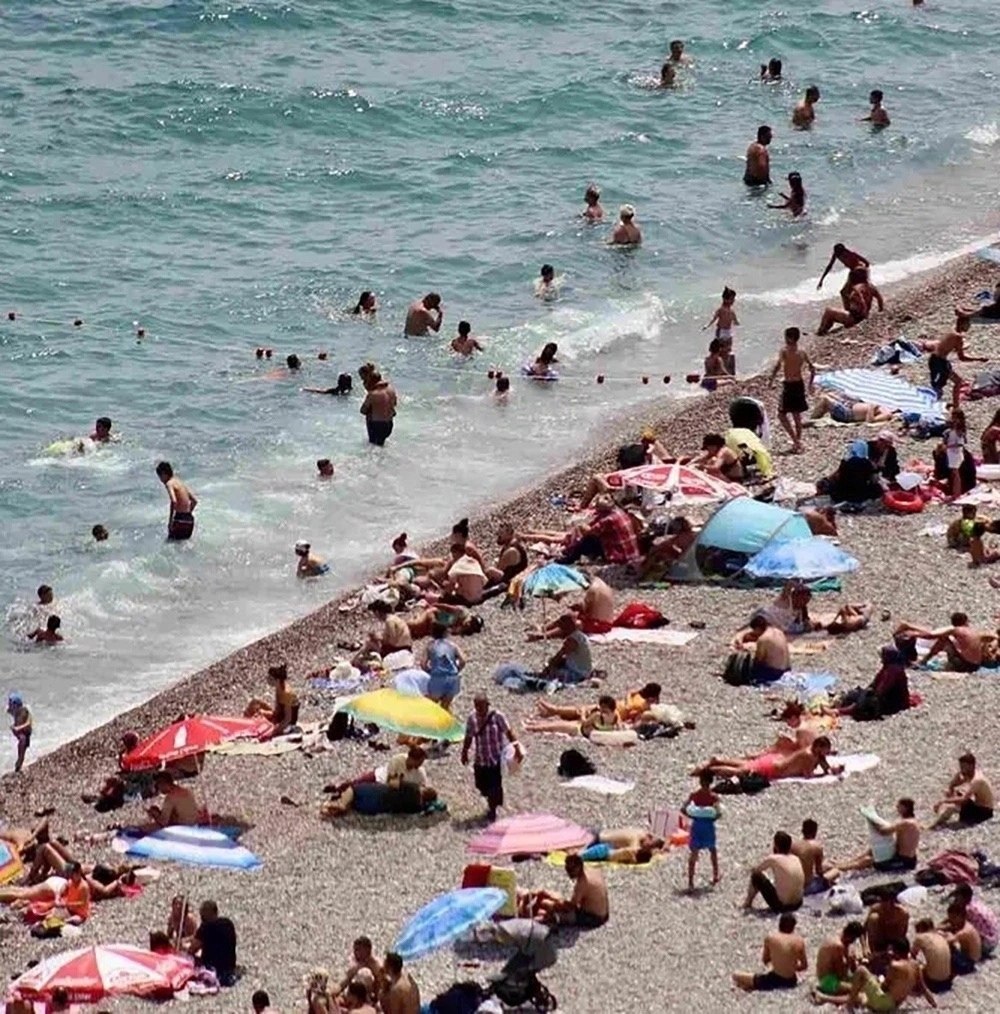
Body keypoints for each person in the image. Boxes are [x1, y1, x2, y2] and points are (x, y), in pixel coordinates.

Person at [461, 695, 523, 822]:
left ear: (487, 705)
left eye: (481, 706)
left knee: (494, 785)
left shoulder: (498, 716)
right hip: (480, 758)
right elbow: (469, 736)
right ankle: (490, 798)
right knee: (480, 785)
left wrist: (517, 748)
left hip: (495, 758)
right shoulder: (472, 719)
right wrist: (464, 752)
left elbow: (509, 733)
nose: (479, 709)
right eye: (477, 706)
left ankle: (493, 808)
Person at [825, 798, 920, 880]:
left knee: (869, 860)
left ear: (905, 808)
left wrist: (871, 819)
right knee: (872, 851)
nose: (897, 808)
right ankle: (845, 863)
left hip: (904, 862)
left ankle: (841, 867)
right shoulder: (912, 821)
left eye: (899, 806)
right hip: (905, 857)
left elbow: (884, 831)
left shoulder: (905, 823)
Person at [698, 736, 841, 784]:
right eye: (826, 750)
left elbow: (824, 765)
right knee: (740, 772)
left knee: (747, 764)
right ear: (819, 747)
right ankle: (710, 770)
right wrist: (822, 775)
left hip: (775, 760)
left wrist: (831, 770)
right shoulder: (809, 756)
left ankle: (718, 760)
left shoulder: (814, 752)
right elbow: (807, 775)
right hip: (775, 769)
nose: (827, 753)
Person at [920, 313, 988, 403]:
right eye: (968, 324)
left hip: (934, 359)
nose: (969, 326)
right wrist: (979, 359)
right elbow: (962, 357)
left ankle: (930, 400)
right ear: (962, 324)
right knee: (957, 382)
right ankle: (955, 406)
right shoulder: (958, 337)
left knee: (939, 384)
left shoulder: (951, 331)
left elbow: (946, 345)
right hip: (939, 362)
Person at [733, 913, 807, 992]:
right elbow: (804, 966)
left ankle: (748, 986)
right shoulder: (799, 941)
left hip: (774, 980)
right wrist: (791, 967)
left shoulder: (771, 938)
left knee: (736, 975)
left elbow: (765, 960)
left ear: (779, 925)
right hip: (791, 981)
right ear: (793, 927)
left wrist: (778, 961)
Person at [531, 853, 608, 928]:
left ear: (578, 867)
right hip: (604, 914)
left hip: (594, 918)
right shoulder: (592, 870)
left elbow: (571, 906)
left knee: (556, 914)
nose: (568, 873)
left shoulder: (582, 883)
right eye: (567, 868)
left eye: (571, 870)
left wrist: (554, 903)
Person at [558, 496, 641, 565]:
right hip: (631, 553)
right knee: (590, 538)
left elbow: (590, 531)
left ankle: (570, 558)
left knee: (588, 540)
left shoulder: (608, 520)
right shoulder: (619, 512)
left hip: (620, 556)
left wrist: (581, 526)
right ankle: (572, 552)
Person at [770, 326, 814, 453]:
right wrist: (810, 384)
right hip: (799, 384)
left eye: (786, 337)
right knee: (796, 414)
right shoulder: (802, 352)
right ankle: (797, 442)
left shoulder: (784, 351)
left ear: (790, 338)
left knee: (781, 414)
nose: (784, 340)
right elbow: (812, 368)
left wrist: (771, 380)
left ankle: (796, 442)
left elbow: (778, 366)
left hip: (789, 385)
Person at [895, 613, 984, 672]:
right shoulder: (972, 631)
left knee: (944, 638)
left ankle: (923, 661)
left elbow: (932, 635)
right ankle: (923, 661)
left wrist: (914, 633)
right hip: (976, 665)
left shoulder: (955, 630)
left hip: (965, 665)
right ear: (966, 621)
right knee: (947, 639)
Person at [743, 831, 805, 914]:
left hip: (782, 906)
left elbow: (757, 870)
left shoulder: (773, 859)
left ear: (776, 845)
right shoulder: (795, 858)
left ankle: (747, 903)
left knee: (756, 876)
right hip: (798, 903)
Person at [929, 752, 994, 829]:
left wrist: (943, 801)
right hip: (976, 806)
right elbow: (954, 784)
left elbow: (964, 800)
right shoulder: (969, 774)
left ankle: (934, 825)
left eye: (964, 767)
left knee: (954, 805)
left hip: (984, 812)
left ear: (971, 766)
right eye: (961, 767)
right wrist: (952, 788)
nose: (962, 769)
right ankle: (940, 819)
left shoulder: (977, 780)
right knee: (957, 795)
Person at [684, 771, 721, 891]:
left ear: (700, 782)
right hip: (708, 827)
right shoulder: (714, 797)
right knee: (712, 850)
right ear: (711, 782)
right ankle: (715, 876)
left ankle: (690, 882)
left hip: (697, 826)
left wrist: (695, 815)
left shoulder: (694, 795)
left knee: (694, 853)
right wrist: (708, 816)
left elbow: (684, 809)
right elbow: (718, 814)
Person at [818, 439, 883, 505]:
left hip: (840, 495)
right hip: (859, 497)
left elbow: (837, 476)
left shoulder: (845, 462)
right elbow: (873, 480)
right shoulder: (868, 464)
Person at [817, 267, 880, 335]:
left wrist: (862, 314)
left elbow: (860, 302)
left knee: (829, 311)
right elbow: (880, 299)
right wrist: (879, 311)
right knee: (835, 312)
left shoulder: (857, 289)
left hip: (854, 318)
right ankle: (824, 329)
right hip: (862, 316)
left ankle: (821, 331)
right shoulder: (871, 287)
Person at [189, 899, 238, 986]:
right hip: (229, 966)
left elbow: (192, 950)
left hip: (212, 968)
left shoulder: (205, 928)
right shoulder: (228, 923)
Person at [813, 922, 865, 1001]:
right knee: (858, 992)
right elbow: (841, 974)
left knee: (860, 984)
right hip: (828, 981)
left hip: (826, 976)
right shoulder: (838, 946)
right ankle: (823, 998)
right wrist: (849, 961)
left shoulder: (838, 938)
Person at [732, 614, 790, 684]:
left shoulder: (763, 639)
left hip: (775, 673)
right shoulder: (779, 632)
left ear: (757, 628)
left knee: (745, 668)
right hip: (787, 669)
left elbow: (759, 660)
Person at [244, 662, 299, 732]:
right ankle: (245, 722)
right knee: (255, 702)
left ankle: (249, 726)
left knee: (258, 713)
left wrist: (274, 731)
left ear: (277, 680)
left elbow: (288, 719)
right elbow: (277, 711)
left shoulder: (286, 693)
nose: (268, 680)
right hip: (280, 716)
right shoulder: (279, 688)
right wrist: (265, 713)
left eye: (270, 678)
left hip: (286, 723)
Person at [423, 621, 466, 709]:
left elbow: (423, 664)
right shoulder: (453, 645)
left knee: (431, 706)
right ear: (445, 632)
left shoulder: (430, 646)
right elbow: (463, 660)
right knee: (445, 707)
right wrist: (456, 670)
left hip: (438, 677)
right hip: (453, 678)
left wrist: (430, 671)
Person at [949, 884, 999, 957]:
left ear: (963, 897)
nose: (955, 899)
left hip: (988, 943)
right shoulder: (974, 902)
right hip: (994, 938)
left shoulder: (968, 910)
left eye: (957, 897)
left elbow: (957, 924)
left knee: (959, 935)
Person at [155, 461, 197, 541]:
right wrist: (187, 514)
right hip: (189, 520)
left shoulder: (169, 483)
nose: (161, 480)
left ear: (164, 474)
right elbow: (194, 501)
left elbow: (174, 501)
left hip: (179, 519)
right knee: (184, 544)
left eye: (160, 477)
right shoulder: (180, 482)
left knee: (170, 543)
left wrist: (170, 521)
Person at [334, 937, 384, 1004]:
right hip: (354, 994)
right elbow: (346, 980)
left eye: (357, 950)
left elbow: (382, 985)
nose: (354, 952)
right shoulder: (355, 962)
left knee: (365, 973)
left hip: (373, 996)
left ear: (366, 950)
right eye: (355, 950)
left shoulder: (377, 965)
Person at [912, 918, 954, 994]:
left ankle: (917, 988)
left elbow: (912, 955)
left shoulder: (920, 938)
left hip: (933, 982)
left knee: (914, 966)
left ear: (921, 929)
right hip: (947, 980)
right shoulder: (941, 936)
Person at [359, 369, 397, 446]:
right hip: (389, 424)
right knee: (380, 445)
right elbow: (394, 404)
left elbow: (363, 410)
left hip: (377, 425)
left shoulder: (373, 394)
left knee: (374, 447)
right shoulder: (391, 390)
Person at [792, 818, 827, 895]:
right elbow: (819, 871)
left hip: (794, 886)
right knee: (835, 872)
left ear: (802, 831)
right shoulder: (817, 847)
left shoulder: (794, 846)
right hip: (807, 888)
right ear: (815, 832)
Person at [944, 901, 982, 967]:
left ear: (962, 917)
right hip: (965, 955)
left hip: (970, 962)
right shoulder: (963, 923)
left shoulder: (965, 930)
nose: (951, 920)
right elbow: (945, 923)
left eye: (953, 918)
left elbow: (949, 940)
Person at [941, 408, 968, 499]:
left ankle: (956, 494)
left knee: (956, 474)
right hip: (952, 453)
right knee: (954, 473)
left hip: (955, 453)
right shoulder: (953, 428)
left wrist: (948, 446)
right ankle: (955, 493)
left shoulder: (959, 430)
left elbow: (960, 443)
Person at [7, 692, 31, 773]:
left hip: (25, 731)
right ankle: (18, 767)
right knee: (22, 741)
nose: (9, 706)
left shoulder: (25, 711)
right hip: (19, 733)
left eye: (11, 704)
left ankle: (18, 766)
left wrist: (18, 728)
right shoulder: (12, 710)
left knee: (23, 749)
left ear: (16, 705)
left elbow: (28, 723)